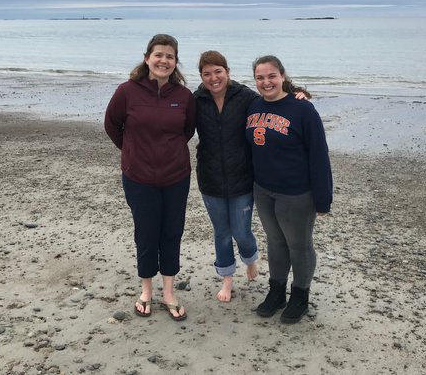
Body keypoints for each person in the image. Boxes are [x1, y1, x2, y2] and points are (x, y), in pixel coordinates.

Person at [194, 51, 311, 302]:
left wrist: (297, 92)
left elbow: (273, 95)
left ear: (228, 71)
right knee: (221, 232)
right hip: (210, 178)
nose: (214, 78)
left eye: (218, 71)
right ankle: (227, 280)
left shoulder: (245, 97)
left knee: (241, 232)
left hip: (242, 178)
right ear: (201, 76)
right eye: (207, 73)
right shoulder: (197, 100)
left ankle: (250, 257)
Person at [104, 34, 195, 321]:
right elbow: (112, 125)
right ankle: (146, 290)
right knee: (146, 233)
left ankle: (168, 292)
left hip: (176, 176)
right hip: (138, 177)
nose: (163, 60)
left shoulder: (184, 96)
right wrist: (132, 151)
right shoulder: (127, 91)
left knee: (171, 232)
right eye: (159, 55)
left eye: (170, 56)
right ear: (147, 58)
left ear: (175, 62)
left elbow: (187, 131)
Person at [245, 55, 333, 324]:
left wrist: (323, 199)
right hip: (263, 189)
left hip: (296, 193)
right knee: (275, 242)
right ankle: (276, 292)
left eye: (271, 75)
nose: (266, 81)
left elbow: (319, 154)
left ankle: (300, 296)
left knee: (299, 245)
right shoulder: (252, 106)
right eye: (260, 77)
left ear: (282, 76)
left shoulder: (303, 110)